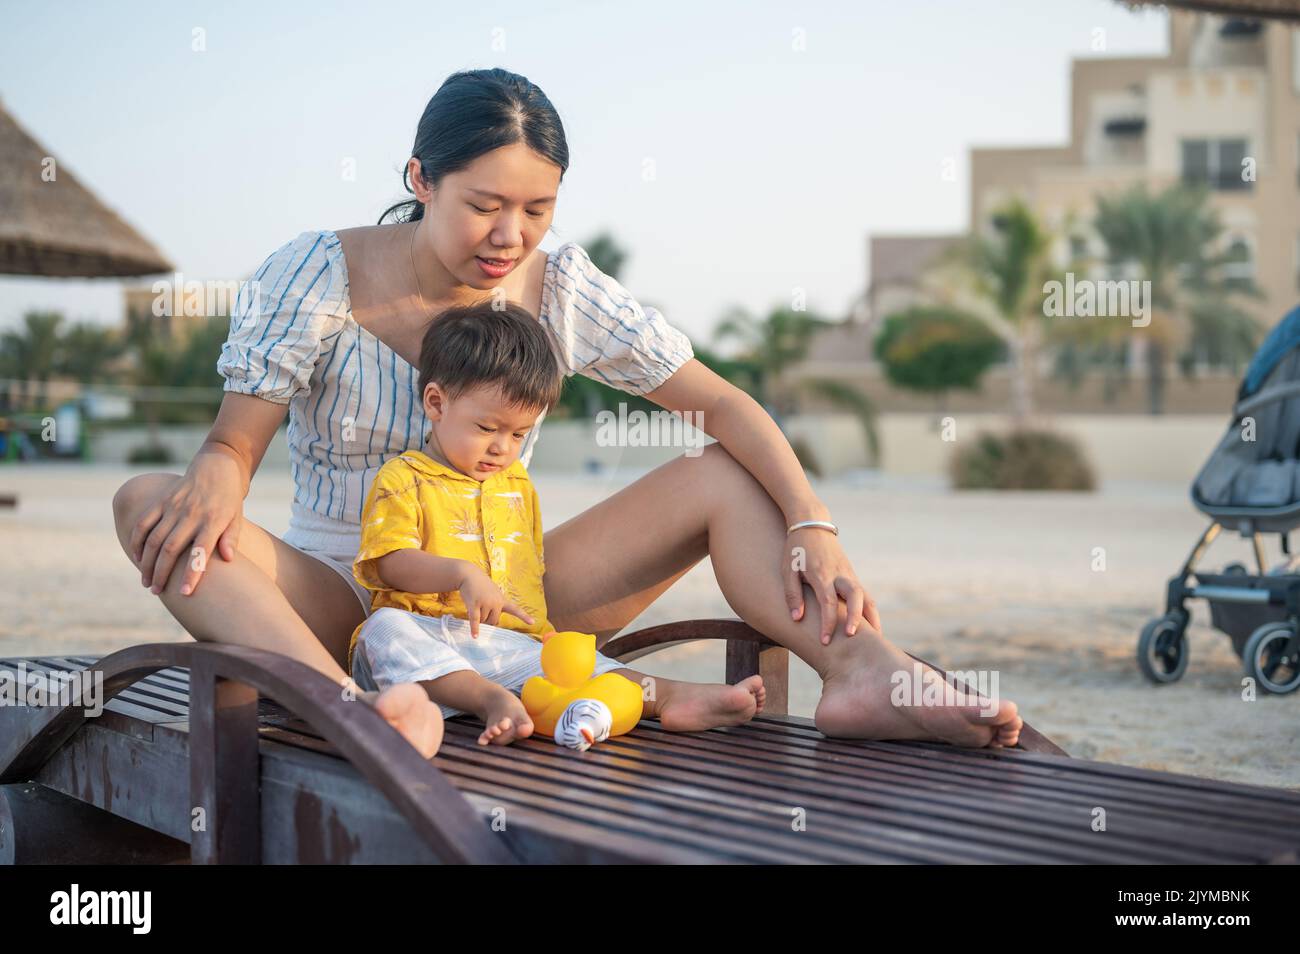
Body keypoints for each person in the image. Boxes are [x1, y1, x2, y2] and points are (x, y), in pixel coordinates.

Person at [112, 67, 1022, 759]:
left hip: (508, 599)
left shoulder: (560, 288)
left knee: (722, 473)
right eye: (485, 205)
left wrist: (811, 521)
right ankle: (357, 714)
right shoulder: (317, 273)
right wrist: (215, 473)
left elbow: (724, 403)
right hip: (345, 597)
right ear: (420, 178)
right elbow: (237, 441)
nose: (511, 235)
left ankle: (865, 672)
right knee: (147, 499)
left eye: (537, 209)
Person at [349, 301, 765, 749]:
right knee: (382, 630)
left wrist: (546, 635)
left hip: (501, 647)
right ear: (436, 403)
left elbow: (527, 572)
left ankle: (662, 698)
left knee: (579, 662)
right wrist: (460, 573)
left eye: (518, 435)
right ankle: (489, 701)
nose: (501, 448)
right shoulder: (404, 478)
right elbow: (389, 562)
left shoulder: (517, 486)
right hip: (426, 642)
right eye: (487, 427)